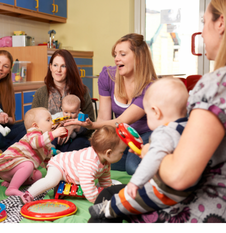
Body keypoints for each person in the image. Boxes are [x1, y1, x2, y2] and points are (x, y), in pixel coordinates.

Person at [89, 0, 226, 223]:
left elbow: (179, 177)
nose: (200, 33)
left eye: (203, 23)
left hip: (203, 206)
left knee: (111, 199)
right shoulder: (110, 76)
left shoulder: (215, 85)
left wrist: (152, 154)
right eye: (116, 54)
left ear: (220, 22)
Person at [89, 77, 197, 219]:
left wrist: (135, 182)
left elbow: (151, 161)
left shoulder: (163, 132)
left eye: (147, 115)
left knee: (130, 197)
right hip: (188, 191)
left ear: (156, 112)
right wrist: (145, 151)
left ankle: (109, 210)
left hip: (166, 192)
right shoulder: (189, 127)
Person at [65, 33, 157, 175]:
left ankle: (150, 157)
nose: (116, 59)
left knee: (132, 167)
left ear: (138, 58)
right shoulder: (107, 76)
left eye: (122, 54)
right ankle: (122, 155)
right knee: (91, 155)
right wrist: (96, 142)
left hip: (145, 134)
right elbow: (104, 117)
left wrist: (92, 125)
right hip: (120, 133)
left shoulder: (149, 87)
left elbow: (122, 120)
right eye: (115, 54)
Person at [20, 125, 127, 204]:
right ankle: (28, 195)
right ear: (108, 152)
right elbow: (88, 189)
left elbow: (105, 179)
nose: (122, 154)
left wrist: (107, 191)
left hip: (69, 169)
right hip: (60, 165)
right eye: (121, 152)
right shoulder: (90, 163)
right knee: (51, 181)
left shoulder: (105, 161)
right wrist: (99, 199)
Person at [0, 107, 67, 197]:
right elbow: (36, 143)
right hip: (8, 164)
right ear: (35, 125)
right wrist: (54, 134)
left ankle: (11, 181)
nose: (52, 123)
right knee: (29, 165)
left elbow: (48, 162)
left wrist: (53, 176)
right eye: (48, 120)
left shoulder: (46, 144)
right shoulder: (33, 133)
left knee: (38, 175)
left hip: (13, 170)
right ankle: (12, 188)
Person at [32, 49, 95, 152]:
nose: (58, 70)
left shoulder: (82, 91)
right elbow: (33, 124)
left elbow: (91, 124)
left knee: (80, 146)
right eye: (55, 65)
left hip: (74, 139)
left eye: (63, 66)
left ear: (69, 68)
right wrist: (52, 131)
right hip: (49, 137)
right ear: (50, 67)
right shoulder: (41, 93)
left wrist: (74, 127)